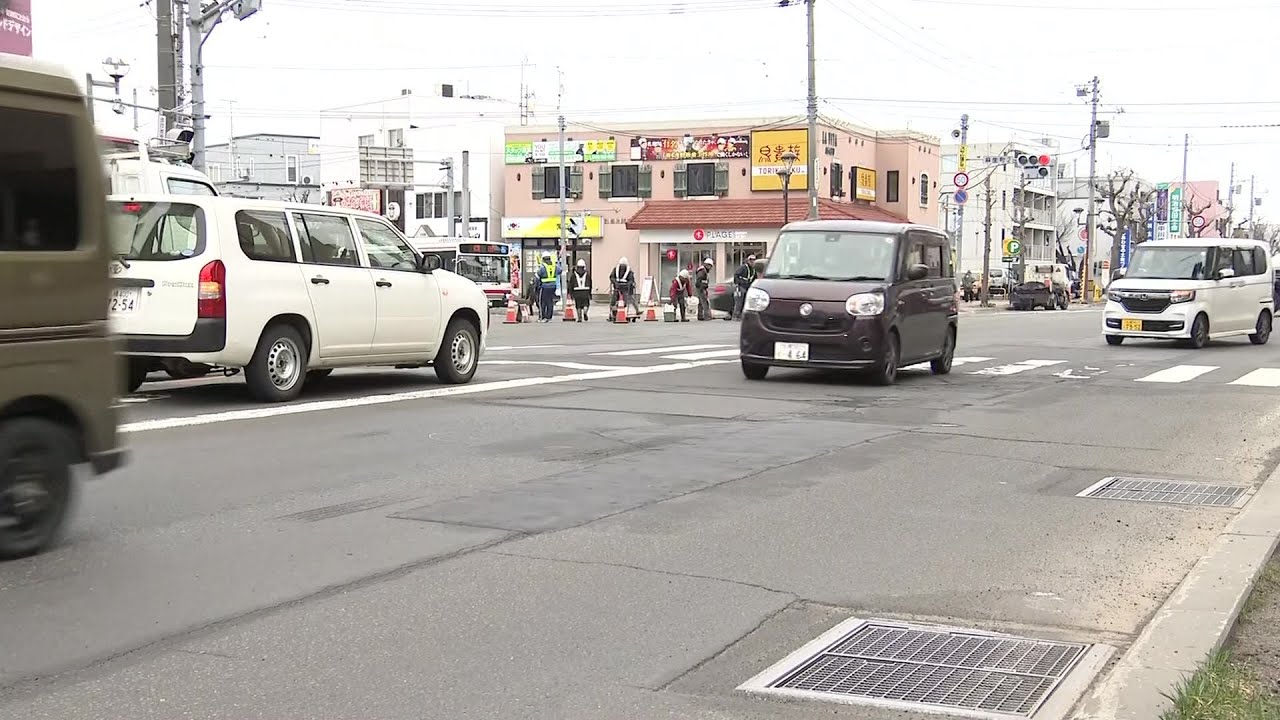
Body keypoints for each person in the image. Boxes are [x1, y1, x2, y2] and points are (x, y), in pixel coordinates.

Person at [609, 256, 637, 322]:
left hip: (617, 287)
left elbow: (611, 277)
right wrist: (628, 284)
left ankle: (614, 312)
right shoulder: (629, 270)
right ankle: (622, 312)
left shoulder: (615, 269)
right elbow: (631, 279)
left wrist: (615, 283)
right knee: (625, 301)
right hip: (625, 288)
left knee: (613, 301)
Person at [730, 254, 757, 320]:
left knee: (746, 302)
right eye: (751, 260)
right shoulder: (743, 267)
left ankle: (743, 315)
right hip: (741, 286)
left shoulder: (753, 269)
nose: (752, 262)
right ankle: (736, 316)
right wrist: (737, 284)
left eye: (753, 260)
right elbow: (736, 275)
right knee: (739, 302)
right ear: (748, 260)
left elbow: (754, 278)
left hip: (748, 287)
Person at [536, 251, 558, 322]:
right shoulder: (554, 266)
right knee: (550, 302)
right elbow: (560, 271)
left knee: (542, 302)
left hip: (544, 286)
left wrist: (537, 286)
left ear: (543, 259)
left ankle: (542, 317)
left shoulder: (543, 267)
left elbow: (538, 275)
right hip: (553, 286)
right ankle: (549, 317)